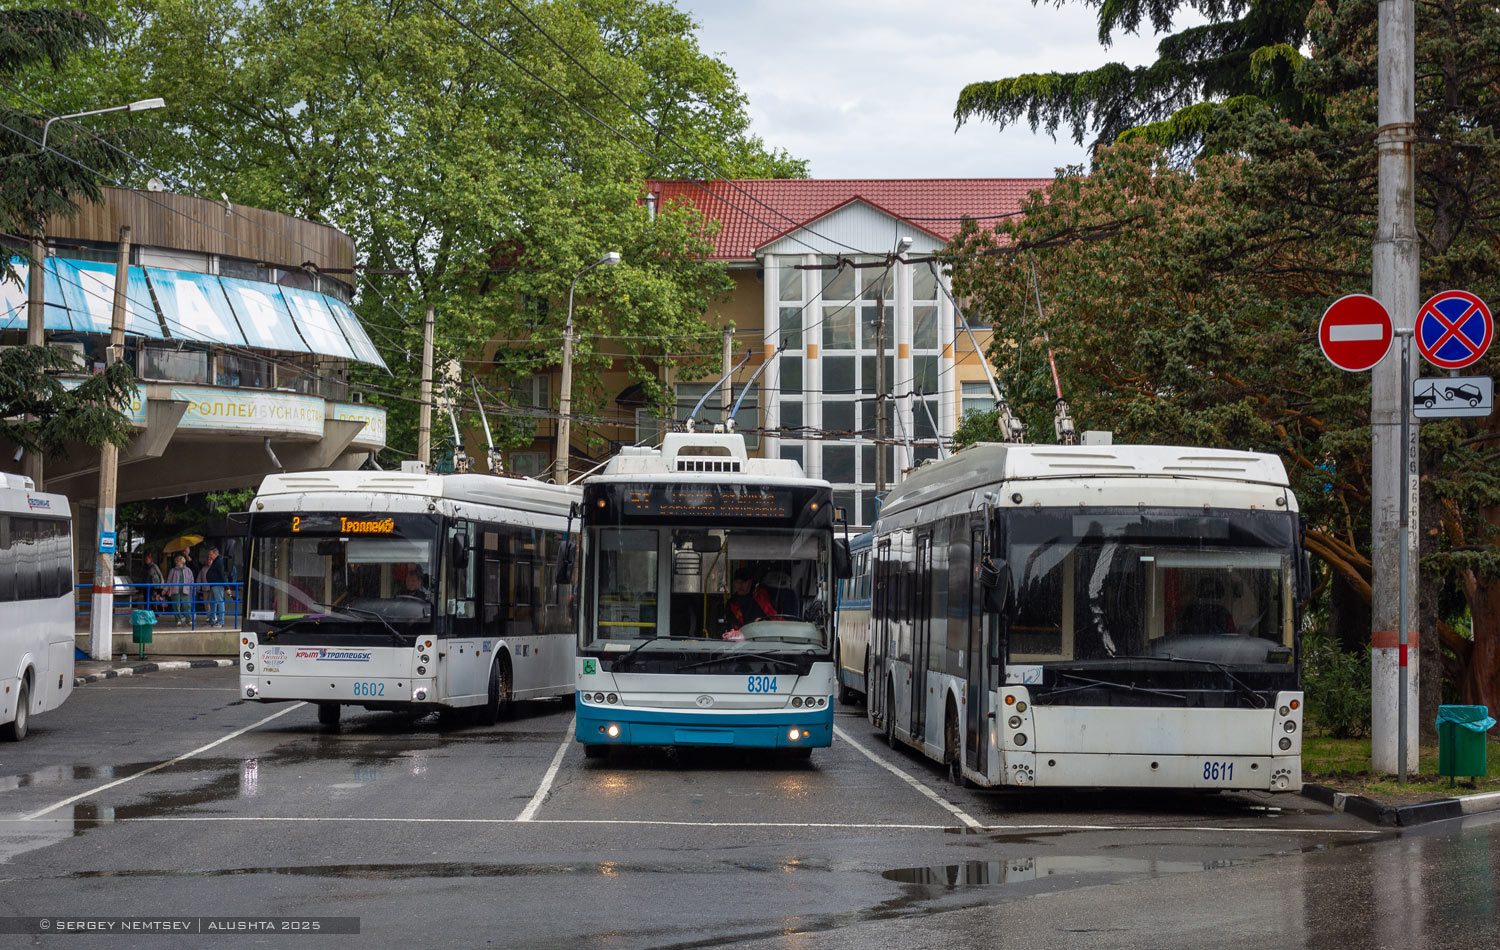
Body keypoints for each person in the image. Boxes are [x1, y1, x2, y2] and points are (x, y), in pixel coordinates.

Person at [724, 565, 777, 632]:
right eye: (738, 582)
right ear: (734, 583)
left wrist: (763, 622)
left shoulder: (761, 598)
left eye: (744, 582)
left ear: (750, 582)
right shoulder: (731, 603)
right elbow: (732, 625)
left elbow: (774, 618)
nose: (740, 585)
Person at [166, 554, 194, 627]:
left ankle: (188, 620)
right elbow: (169, 580)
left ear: (181, 562)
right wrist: (165, 589)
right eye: (176, 561)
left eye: (178, 561)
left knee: (187, 605)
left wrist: (192, 588)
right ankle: (178, 620)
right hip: (176, 591)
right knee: (176, 606)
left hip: (185, 590)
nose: (176, 562)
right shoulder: (173, 570)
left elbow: (191, 580)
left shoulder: (188, 570)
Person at [203, 547, 227, 628]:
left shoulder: (219, 561)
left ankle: (221, 621)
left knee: (219, 602)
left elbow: (222, 574)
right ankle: (212, 619)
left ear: (215, 553)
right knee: (213, 602)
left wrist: (227, 587)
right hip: (214, 584)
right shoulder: (216, 561)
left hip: (218, 584)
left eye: (211, 554)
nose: (209, 556)